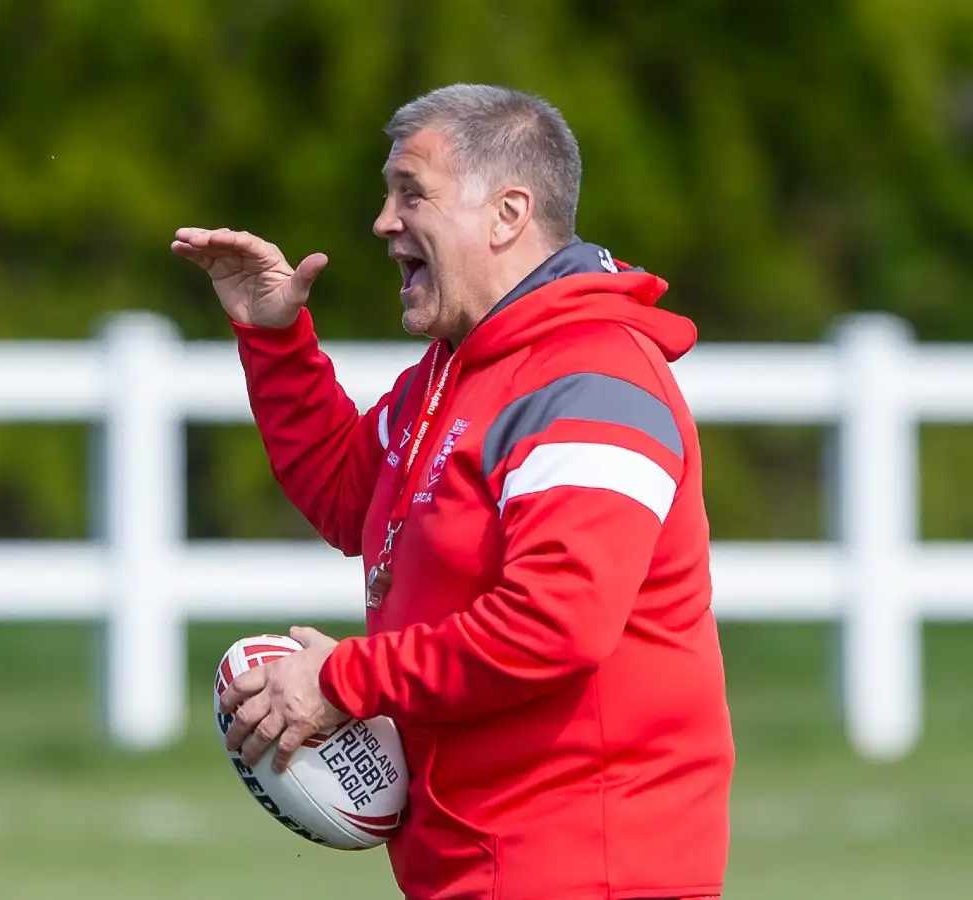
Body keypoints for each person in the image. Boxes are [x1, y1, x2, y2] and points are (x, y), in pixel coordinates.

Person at [172, 83, 733, 900]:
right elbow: (347, 495)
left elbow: (555, 624)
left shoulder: (591, 379)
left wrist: (343, 681)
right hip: (485, 865)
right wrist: (273, 337)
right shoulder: (455, 374)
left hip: (587, 871)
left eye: (411, 193)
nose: (383, 221)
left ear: (508, 214)